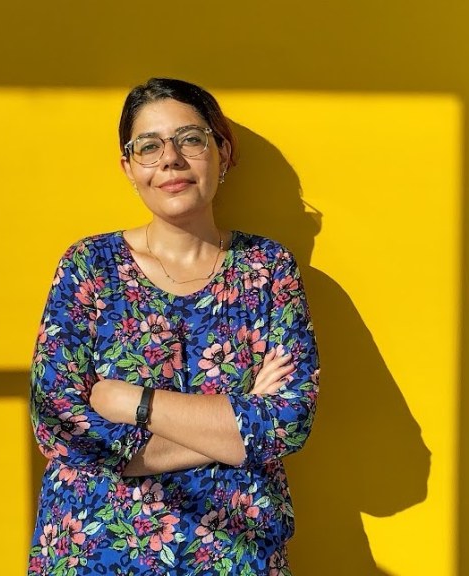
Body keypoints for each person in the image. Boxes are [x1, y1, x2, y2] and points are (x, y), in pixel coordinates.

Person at [28, 78, 319, 576]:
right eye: (149, 146)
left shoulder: (268, 268)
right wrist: (233, 429)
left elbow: (287, 423)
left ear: (222, 153)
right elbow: (62, 431)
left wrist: (133, 404)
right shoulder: (89, 266)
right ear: (129, 168)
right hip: (97, 555)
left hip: (236, 553)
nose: (170, 159)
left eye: (190, 139)